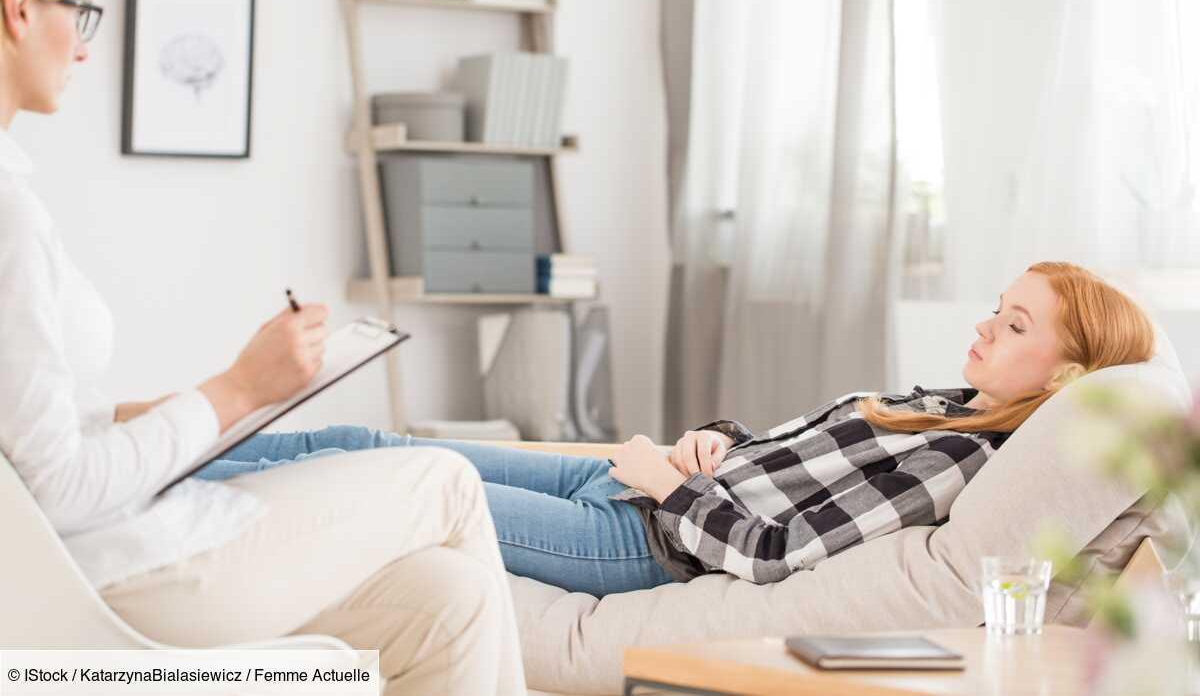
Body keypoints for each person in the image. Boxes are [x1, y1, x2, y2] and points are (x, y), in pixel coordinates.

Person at [0, 0, 525, 696]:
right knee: (447, 480)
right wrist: (239, 389)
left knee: (449, 600)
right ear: (21, 6)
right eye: (83, 14)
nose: (84, 48)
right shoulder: (8, 217)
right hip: (112, 577)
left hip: (116, 549)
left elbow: (39, 437)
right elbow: (58, 491)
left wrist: (212, 401)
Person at [195, 261, 1157, 595]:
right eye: (997, 308)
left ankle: (165, 502)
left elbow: (779, 553)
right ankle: (170, 461)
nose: (986, 327)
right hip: (634, 482)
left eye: (1016, 326)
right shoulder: (943, 404)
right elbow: (783, 458)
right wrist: (714, 441)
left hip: (640, 539)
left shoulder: (959, 457)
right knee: (379, 447)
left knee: (378, 489)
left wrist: (671, 485)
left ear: (1067, 377)